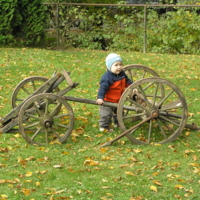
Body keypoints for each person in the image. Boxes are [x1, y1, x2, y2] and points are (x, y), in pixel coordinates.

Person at [96, 53, 132, 132]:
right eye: (116, 65)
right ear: (109, 67)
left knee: (119, 113)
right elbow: (103, 88)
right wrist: (100, 98)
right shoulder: (107, 77)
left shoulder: (122, 74)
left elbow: (127, 81)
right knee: (106, 115)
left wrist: (132, 87)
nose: (119, 67)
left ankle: (118, 123)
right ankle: (104, 127)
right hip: (107, 100)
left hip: (118, 100)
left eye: (120, 64)